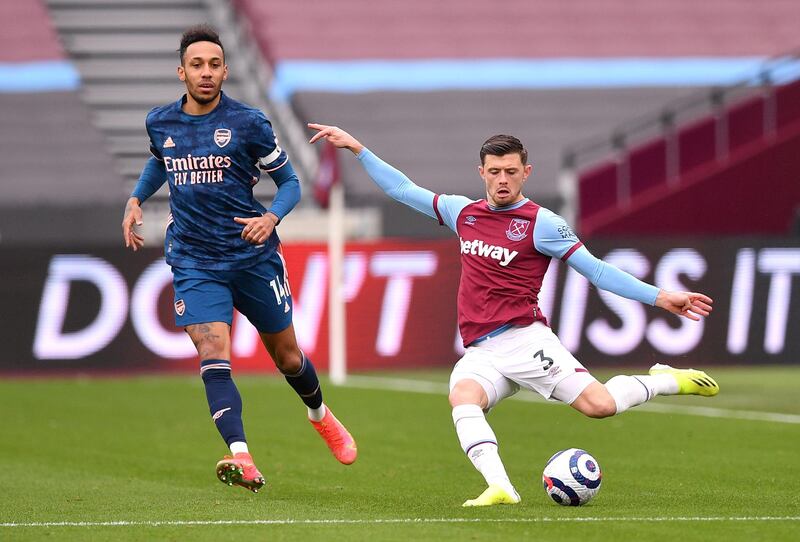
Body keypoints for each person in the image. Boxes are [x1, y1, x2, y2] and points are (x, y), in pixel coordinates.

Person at [308, 123, 718, 507]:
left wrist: (660, 296)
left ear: (525, 172)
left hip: (526, 340)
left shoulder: (543, 224)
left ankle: (666, 380)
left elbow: (595, 270)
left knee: (600, 406)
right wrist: (358, 149)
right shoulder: (462, 212)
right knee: (463, 398)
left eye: (510, 171)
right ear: (481, 173)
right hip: (481, 350)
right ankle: (500, 486)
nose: (502, 179)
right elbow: (402, 189)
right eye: (494, 171)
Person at [121, 26, 357, 495]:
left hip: (251, 256)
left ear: (226, 70)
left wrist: (270, 218)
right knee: (213, 349)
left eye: (214, 65)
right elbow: (159, 161)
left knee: (288, 358)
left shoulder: (248, 123)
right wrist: (135, 198)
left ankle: (320, 415)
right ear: (182, 71)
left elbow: (290, 183)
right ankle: (242, 456)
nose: (205, 73)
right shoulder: (160, 121)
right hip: (193, 258)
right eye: (196, 65)